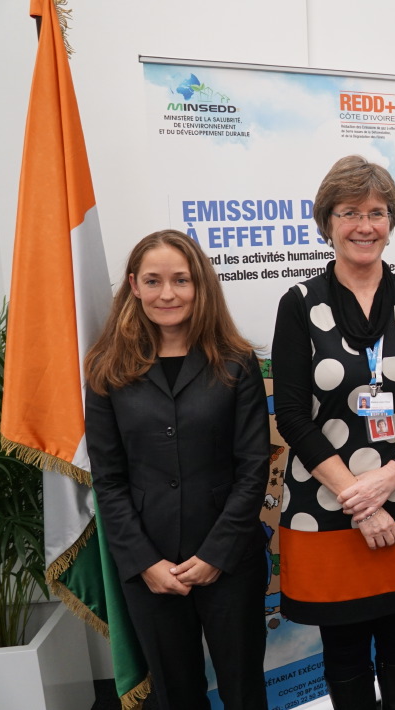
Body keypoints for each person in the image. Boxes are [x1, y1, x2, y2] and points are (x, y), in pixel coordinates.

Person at [272, 155, 395, 710]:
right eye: (349, 212)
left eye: (377, 212)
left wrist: (391, 477)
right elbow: (291, 414)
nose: (364, 226)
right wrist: (359, 497)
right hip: (326, 506)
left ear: (391, 221)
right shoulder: (300, 305)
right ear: (327, 221)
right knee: (344, 646)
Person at [85, 229, 269, 710]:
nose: (167, 293)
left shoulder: (237, 362)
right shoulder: (108, 368)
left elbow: (254, 467)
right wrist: (145, 562)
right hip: (151, 564)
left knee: (244, 689)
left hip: (229, 560)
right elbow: (107, 477)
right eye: (153, 280)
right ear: (133, 285)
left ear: (200, 285)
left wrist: (216, 554)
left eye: (181, 280)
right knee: (174, 696)